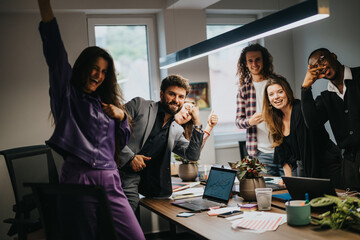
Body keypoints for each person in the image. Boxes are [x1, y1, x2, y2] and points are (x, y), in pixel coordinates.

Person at [37, 1, 145, 239]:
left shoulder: (104, 103)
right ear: (84, 68)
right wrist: (45, 7)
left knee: (135, 236)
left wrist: (121, 117)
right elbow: (55, 53)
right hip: (79, 178)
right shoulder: (67, 96)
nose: (98, 75)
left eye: (104, 71)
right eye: (94, 68)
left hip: (111, 179)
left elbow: (121, 140)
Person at [118, 75, 204, 212]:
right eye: (172, 94)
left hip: (143, 186)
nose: (176, 100)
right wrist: (130, 157)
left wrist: (197, 123)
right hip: (115, 172)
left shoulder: (176, 129)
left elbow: (192, 155)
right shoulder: (140, 105)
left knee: (129, 221)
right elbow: (108, 130)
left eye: (181, 97)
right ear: (162, 93)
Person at [263, 74, 341, 186]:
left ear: (287, 92)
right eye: (271, 94)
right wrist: (288, 179)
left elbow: (310, 147)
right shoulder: (275, 120)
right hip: (306, 167)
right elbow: (283, 154)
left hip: (326, 162)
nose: (276, 97)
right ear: (268, 100)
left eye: (280, 92)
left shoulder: (301, 109)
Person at [301, 48, 360, 190]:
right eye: (315, 67)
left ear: (333, 56)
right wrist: (305, 88)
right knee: (350, 208)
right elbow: (313, 124)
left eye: (322, 60)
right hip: (349, 163)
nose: (321, 67)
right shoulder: (326, 97)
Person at [235, 43, 283, 176]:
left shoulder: (277, 82)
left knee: (290, 189)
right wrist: (250, 121)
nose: (254, 64)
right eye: (250, 60)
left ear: (264, 61)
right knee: (267, 193)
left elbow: (290, 111)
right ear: (245, 63)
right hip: (260, 153)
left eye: (257, 59)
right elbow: (238, 121)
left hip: (284, 148)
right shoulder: (244, 90)